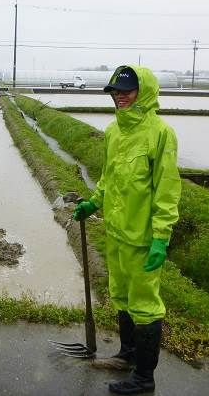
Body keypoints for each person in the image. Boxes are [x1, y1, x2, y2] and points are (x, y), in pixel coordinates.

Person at [73, 65, 181, 395]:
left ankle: (144, 377)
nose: (120, 97)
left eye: (127, 91)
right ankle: (127, 355)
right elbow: (109, 178)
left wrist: (161, 238)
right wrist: (93, 203)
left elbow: (167, 189)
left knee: (145, 304)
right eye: (116, 92)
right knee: (121, 297)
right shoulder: (113, 132)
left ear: (143, 92)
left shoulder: (160, 133)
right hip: (117, 233)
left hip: (144, 240)